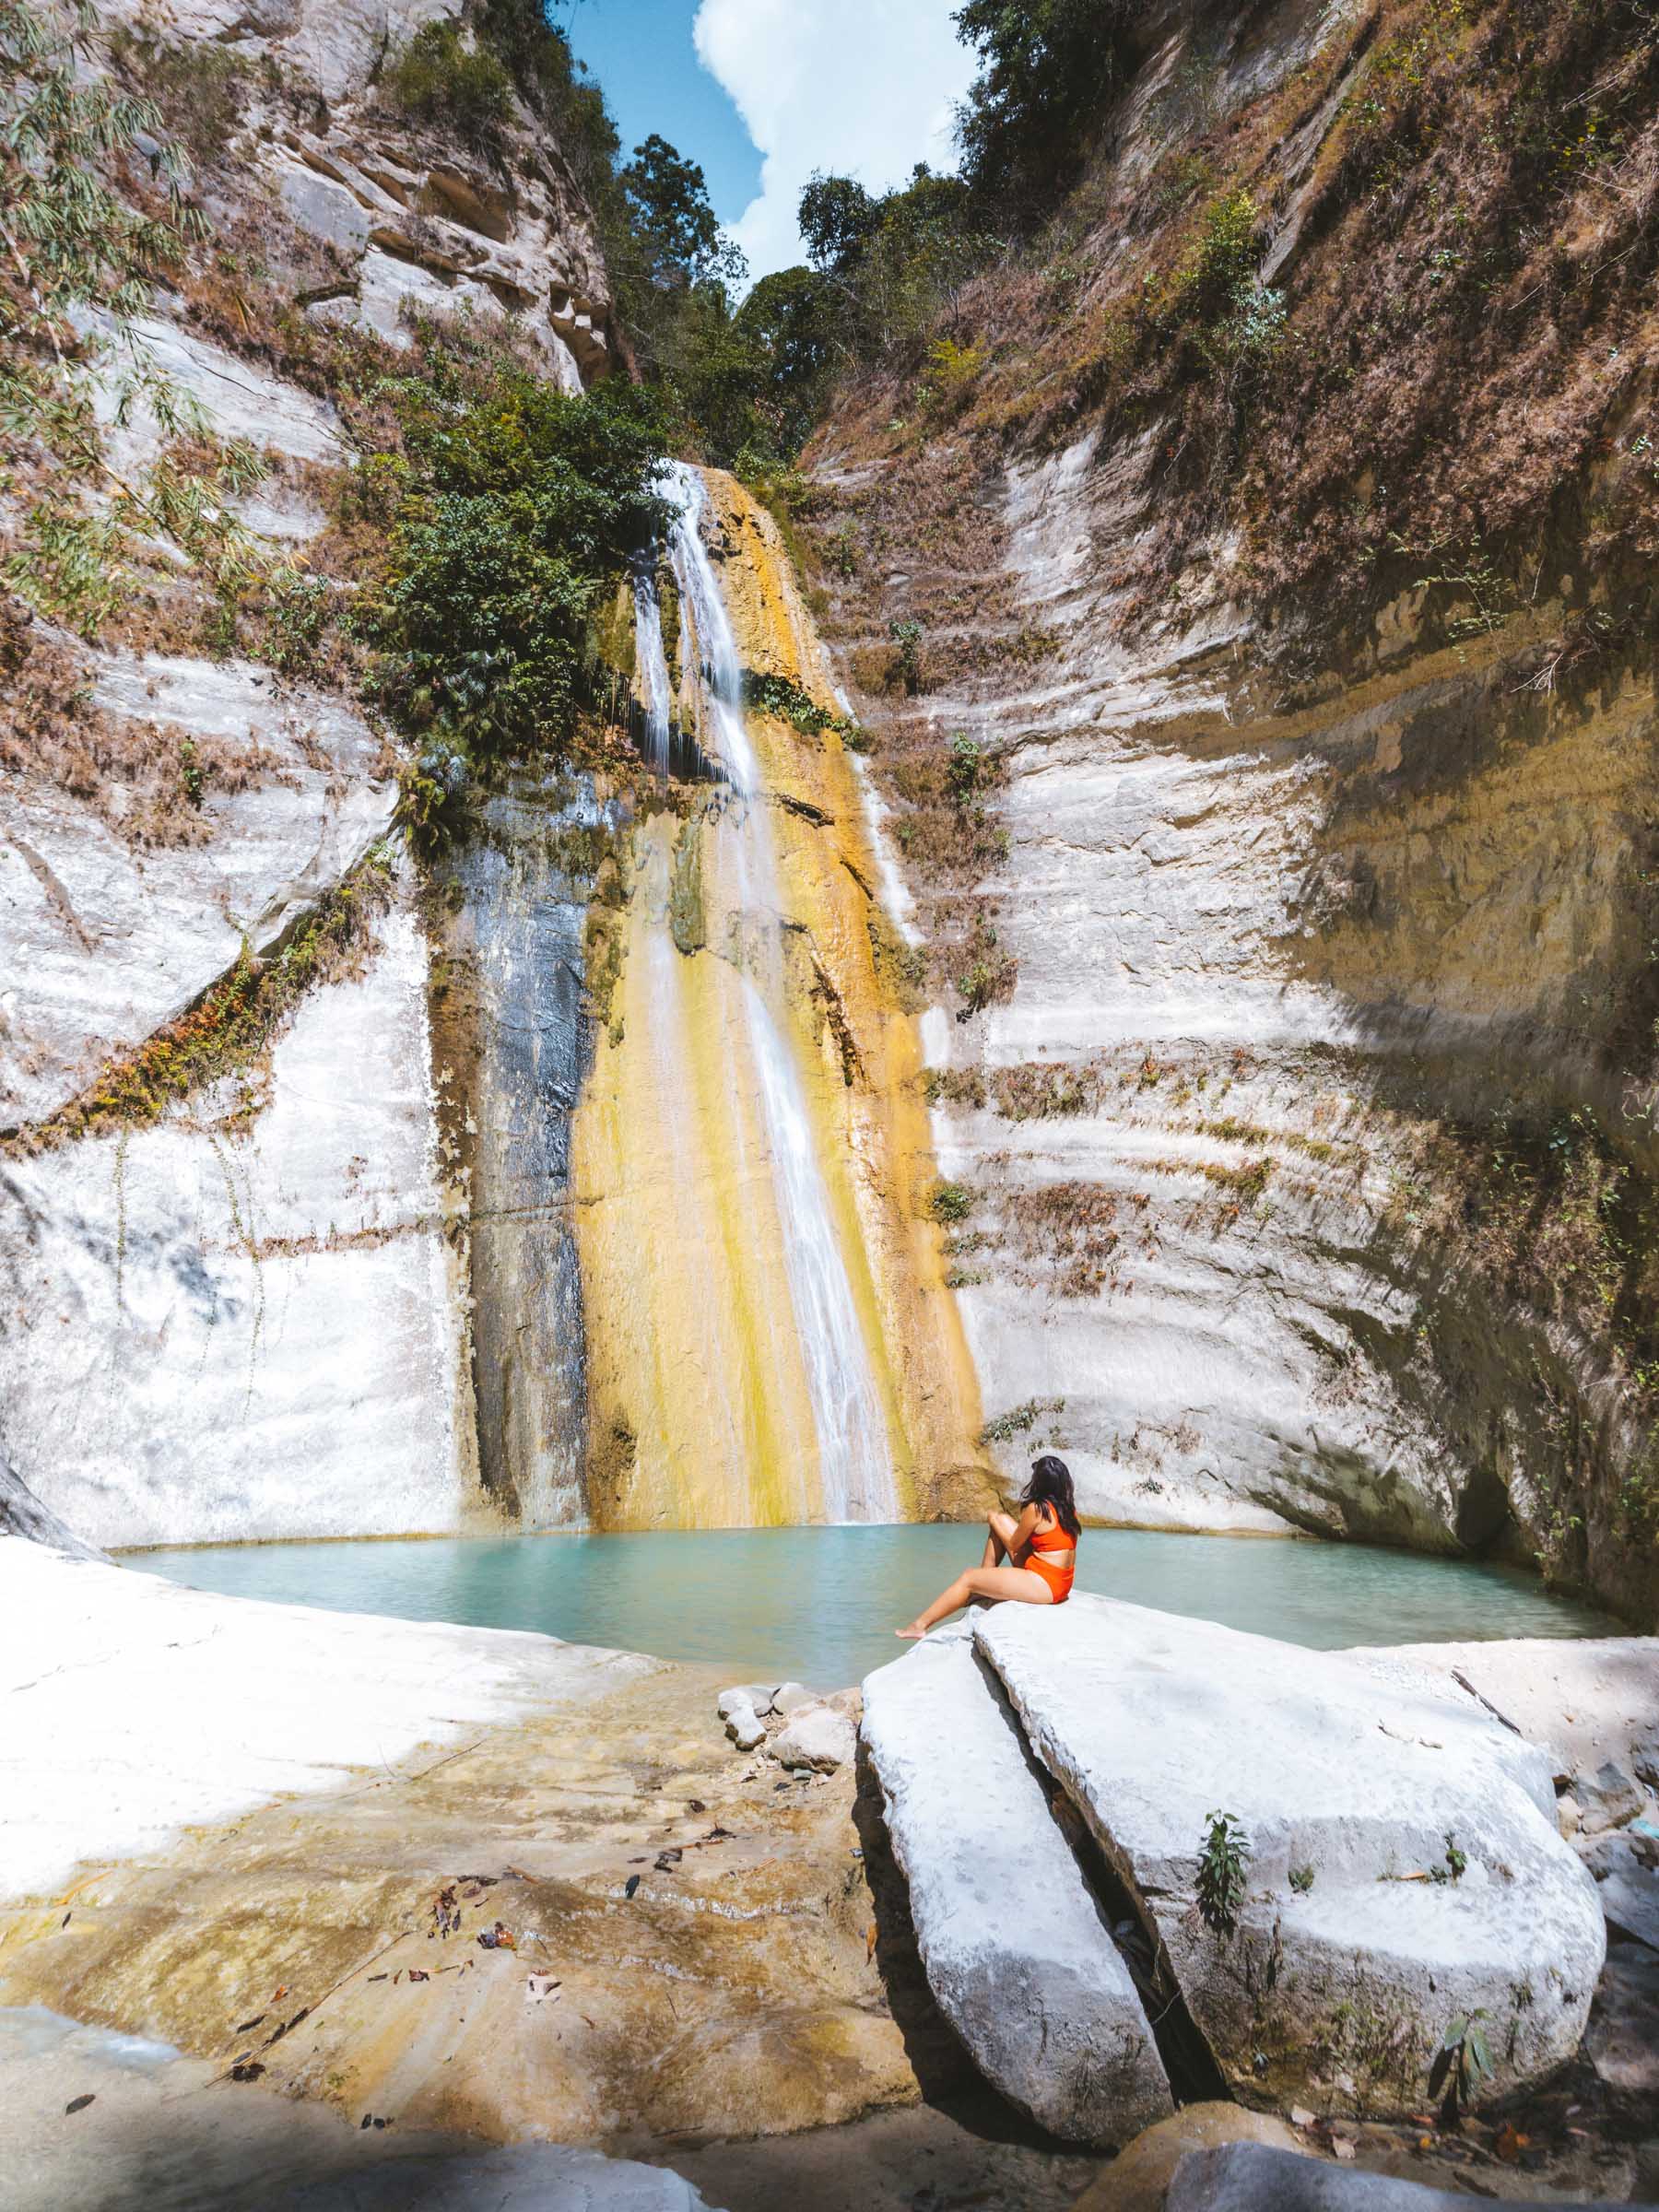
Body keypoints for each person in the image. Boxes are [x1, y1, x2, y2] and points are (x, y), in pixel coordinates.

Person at [896, 1453, 1079, 1639]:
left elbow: (1015, 1545)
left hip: (1045, 1584)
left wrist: (993, 1520)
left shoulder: (1038, 1509)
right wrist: (998, 1523)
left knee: (968, 1577)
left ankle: (919, 1625)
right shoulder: (1067, 1509)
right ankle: (984, 1583)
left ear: (1039, 1481)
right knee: (1001, 1520)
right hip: (1061, 1583)